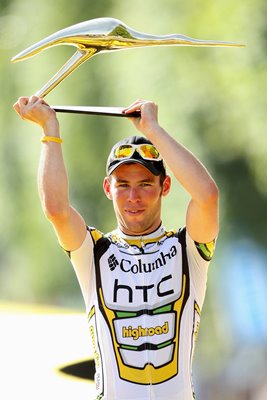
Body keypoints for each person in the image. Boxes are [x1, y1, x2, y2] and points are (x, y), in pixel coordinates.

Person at [13, 96, 219, 400]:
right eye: (123, 184)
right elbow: (57, 210)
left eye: (145, 184)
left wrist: (154, 131)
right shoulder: (94, 252)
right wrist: (50, 130)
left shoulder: (187, 248)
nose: (133, 196)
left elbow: (207, 197)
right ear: (108, 189)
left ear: (165, 187)